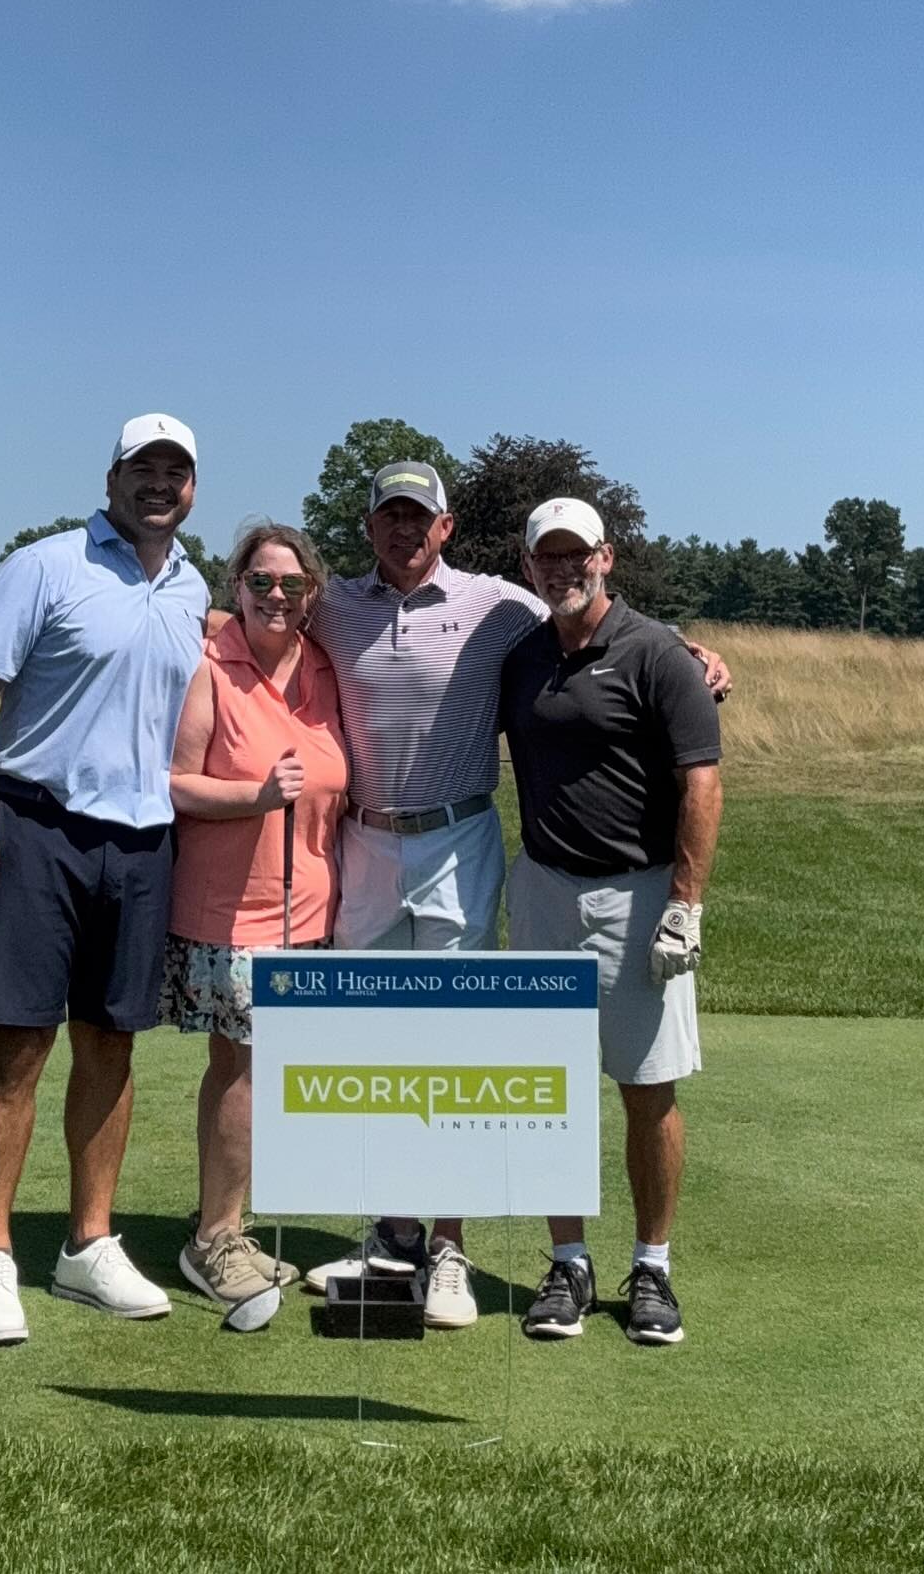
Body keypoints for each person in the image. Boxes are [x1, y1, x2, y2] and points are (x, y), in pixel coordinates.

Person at [300, 461, 730, 1330]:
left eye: (419, 517)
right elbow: (264, 613)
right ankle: (405, 1236)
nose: (403, 530)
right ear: (369, 524)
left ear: (446, 528)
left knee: (469, 1052)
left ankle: (474, 1250)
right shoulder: (339, 605)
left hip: (478, 844)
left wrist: (693, 652)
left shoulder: (499, 605)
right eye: (389, 515)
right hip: (391, 846)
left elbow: (625, 638)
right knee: (399, 1051)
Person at [0, 414, 208, 1346]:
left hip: (142, 842)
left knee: (113, 1042)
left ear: (190, 488)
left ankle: (87, 1244)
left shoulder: (192, 587)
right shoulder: (44, 565)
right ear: (112, 477)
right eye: (144, 468)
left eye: (175, 472)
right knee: (20, 1040)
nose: (158, 484)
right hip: (36, 825)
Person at [499, 498, 723, 1346]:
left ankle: (653, 1268)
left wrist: (686, 903)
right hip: (546, 887)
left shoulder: (659, 654)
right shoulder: (520, 656)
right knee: (550, 1090)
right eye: (547, 558)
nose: (563, 570)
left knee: (647, 1087)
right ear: (529, 567)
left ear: (607, 557)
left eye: (577, 555)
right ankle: (568, 1263)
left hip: (639, 896)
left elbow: (701, 780)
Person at [162, 523, 348, 1312]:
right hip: (231, 912)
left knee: (262, 1068)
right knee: (237, 1067)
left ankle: (230, 1228)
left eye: (292, 584)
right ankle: (213, 1239)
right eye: (261, 582)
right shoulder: (211, 666)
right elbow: (174, 783)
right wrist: (256, 797)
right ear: (235, 586)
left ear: (312, 594)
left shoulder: (326, 668)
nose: (277, 595)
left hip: (310, 910)